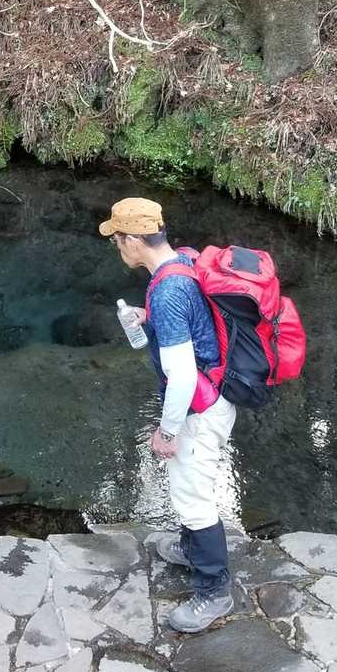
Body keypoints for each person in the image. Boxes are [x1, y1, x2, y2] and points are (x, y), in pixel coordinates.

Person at [99, 196, 236, 633]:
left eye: (118, 239)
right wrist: (150, 318)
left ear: (133, 239)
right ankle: (192, 550)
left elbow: (182, 376)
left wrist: (167, 431)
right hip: (213, 395)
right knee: (186, 487)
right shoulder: (181, 264)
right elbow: (193, 327)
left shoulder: (169, 291)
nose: (117, 246)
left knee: (194, 500)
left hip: (199, 408)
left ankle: (214, 592)